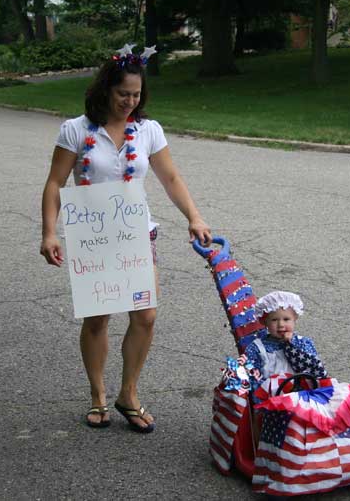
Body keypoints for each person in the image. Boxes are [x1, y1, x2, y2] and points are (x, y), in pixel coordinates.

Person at [40, 45, 212, 433]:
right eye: (123, 94)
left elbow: (171, 178)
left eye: (136, 95)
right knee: (98, 319)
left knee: (146, 316)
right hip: (91, 237)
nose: (129, 102)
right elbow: (55, 182)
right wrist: (50, 231)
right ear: (105, 90)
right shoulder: (75, 130)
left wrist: (194, 217)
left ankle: (128, 393)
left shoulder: (148, 130)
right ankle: (98, 395)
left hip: (135, 232)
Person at [243, 290, 328, 398]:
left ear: (295, 319)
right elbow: (253, 377)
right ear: (265, 322)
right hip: (273, 399)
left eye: (286, 319)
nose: (281, 325)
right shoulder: (256, 348)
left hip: (305, 396)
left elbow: (315, 369)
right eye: (274, 320)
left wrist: (291, 345)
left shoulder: (303, 343)